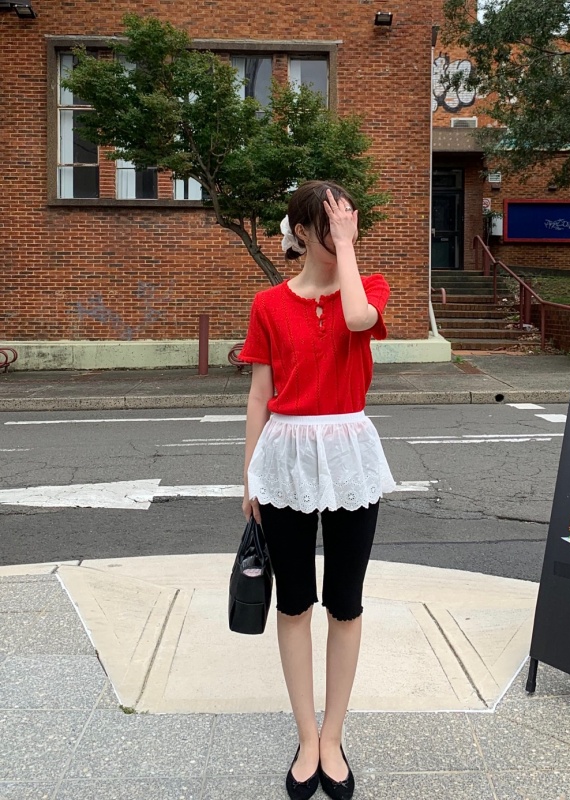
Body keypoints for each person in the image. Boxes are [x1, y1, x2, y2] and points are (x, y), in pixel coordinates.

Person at [239, 180, 395, 800]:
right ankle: (307, 736)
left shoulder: (370, 287)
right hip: (286, 458)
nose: (343, 231)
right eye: (329, 223)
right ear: (301, 231)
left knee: (345, 602)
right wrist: (250, 476)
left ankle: (334, 736)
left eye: (348, 220)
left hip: (350, 454)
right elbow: (259, 395)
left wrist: (347, 247)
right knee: (294, 602)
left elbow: (358, 319)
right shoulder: (269, 304)